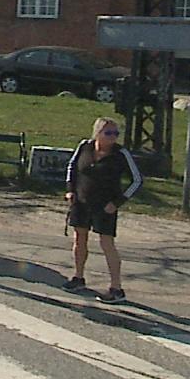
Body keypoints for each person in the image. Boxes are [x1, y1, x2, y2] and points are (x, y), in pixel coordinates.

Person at [64, 116, 141, 304]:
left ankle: (116, 288)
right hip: (82, 202)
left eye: (116, 133)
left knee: (107, 244)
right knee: (79, 238)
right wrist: (70, 190)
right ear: (97, 133)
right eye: (108, 133)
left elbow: (137, 180)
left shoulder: (120, 154)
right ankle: (78, 277)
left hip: (105, 207)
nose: (113, 137)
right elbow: (72, 167)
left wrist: (117, 202)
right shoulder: (85, 146)